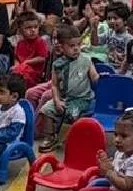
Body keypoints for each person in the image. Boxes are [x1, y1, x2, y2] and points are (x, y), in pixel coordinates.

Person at [37, 24, 99, 152]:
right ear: (61, 47)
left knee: (71, 114)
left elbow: (94, 78)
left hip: (81, 99)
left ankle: (67, 140)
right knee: (45, 110)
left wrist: (102, 78)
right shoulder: (57, 64)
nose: (76, 49)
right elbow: (54, 85)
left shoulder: (86, 60)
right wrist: (56, 100)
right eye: (72, 46)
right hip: (64, 98)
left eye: (78, 45)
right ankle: (50, 137)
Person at [9, 11, 50, 88]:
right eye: (28, 28)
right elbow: (16, 58)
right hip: (21, 70)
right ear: (20, 30)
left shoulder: (40, 41)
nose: (33, 30)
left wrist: (27, 62)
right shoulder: (20, 43)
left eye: (35, 27)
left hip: (35, 74)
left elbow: (42, 58)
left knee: (22, 74)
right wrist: (16, 66)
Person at [101, 3, 133, 72]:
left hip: (125, 69)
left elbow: (128, 58)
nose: (111, 21)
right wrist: (94, 28)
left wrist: (121, 71)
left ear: (125, 21)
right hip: (110, 66)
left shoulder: (129, 37)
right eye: (109, 18)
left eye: (115, 18)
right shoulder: (109, 33)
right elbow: (95, 42)